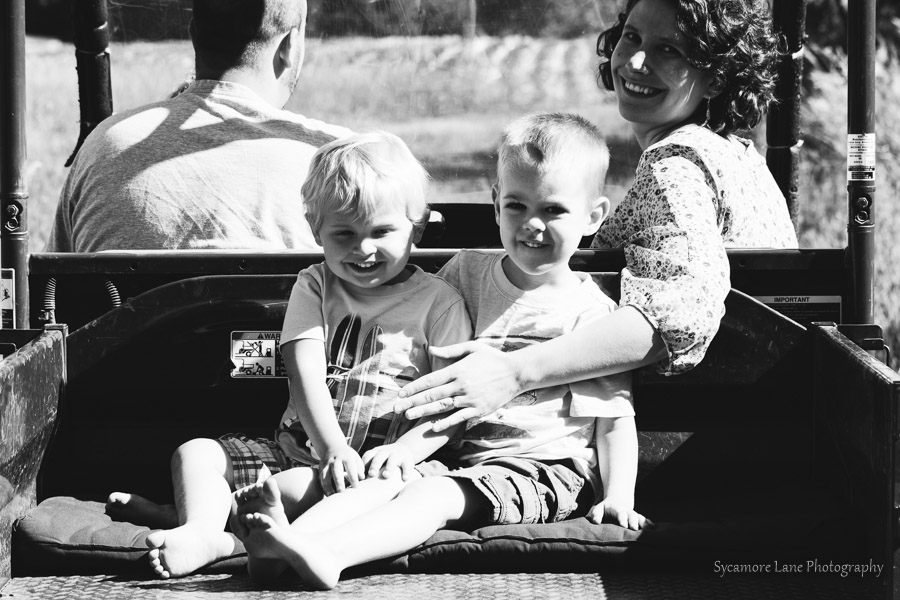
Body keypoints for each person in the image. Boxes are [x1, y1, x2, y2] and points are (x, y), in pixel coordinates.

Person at [230, 112, 646, 590]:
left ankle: (328, 553)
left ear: (593, 216)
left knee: (430, 497)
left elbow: (614, 420)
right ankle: (286, 547)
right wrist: (403, 448)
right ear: (496, 204)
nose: (532, 224)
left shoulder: (591, 315)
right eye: (516, 205)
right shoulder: (465, 274)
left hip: (544, 468)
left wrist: (619, 495)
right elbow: (418, 338)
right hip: (459, 461)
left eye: (553, 210)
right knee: (386, 482)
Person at [392, 0, 799, 433]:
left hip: (691, 424)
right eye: (632, 37)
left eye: (669, 50)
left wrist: (514, 371)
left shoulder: (674, 166)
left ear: (715, 78)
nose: (635, 62)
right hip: (763, 406)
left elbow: (681, 315)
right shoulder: (736, 154)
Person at [107, 130, 472, 579]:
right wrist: (332, 447)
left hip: (377, 472)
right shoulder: (315, 285)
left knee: (289, 489)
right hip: (301, 450)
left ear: (418, 226)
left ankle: (221, 531)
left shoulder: (440, 304)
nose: (363, 248)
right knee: (196, 453)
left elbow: (451, 403)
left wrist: (405, 450)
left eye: (381, 232)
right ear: (315, 228)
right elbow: (305, 372)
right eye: (344, 233)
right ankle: (201, 528)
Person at [45, 0, 351, 252]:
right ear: (289, 46)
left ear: (194, 35)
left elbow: (52, 290)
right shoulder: (343, 163)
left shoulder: (105, 145)